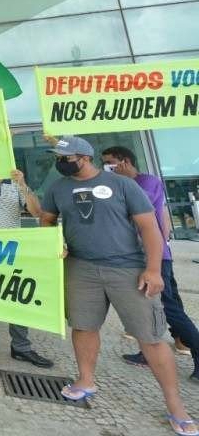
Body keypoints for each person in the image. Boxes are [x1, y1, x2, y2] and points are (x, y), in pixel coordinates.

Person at [38, 136, 196, 435]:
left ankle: (176, 406)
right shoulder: (58, 188)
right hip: (81, 268)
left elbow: (149, 227)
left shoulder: (123, 185)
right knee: (83, 326)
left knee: (150, 336)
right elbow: (46, 220)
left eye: (65, 158)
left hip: (128, 269)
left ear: (85, 157)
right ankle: (86, 380)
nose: (60, 163)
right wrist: (54, 241)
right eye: (57, 158)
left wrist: (153, 270)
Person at [102, 146, 199, 378]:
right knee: (152, 309)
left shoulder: (147, 182)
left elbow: (134, 208)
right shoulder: (127, 183)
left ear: (125, 162)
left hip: (155, 259)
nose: (106, 167)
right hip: (144, 256)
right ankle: (149, 352)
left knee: (169, 309)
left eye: (109, 163)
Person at [0, 172, 53, 368]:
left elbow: (36, 212)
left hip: (11, 250)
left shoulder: (15, 183)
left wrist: (22, 184)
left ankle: (21, 347)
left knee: (17, 297)